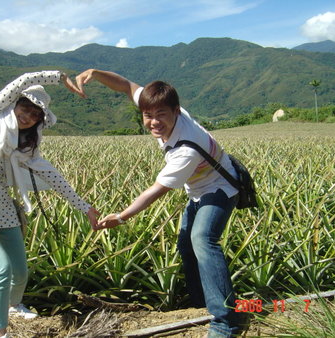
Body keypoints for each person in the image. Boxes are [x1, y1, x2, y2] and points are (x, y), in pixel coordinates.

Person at [75, 69, 241, 337]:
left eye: (160, 115)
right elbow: (128, 85)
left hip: (221, 187)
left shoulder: (185, 148)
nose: (153, 122)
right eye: (148, 115)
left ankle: (226, 320)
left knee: (203, 239)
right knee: (186, 244)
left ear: (176, 111)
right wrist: (95, 74)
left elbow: (156, 190)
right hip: (197, 189)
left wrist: (122, 216)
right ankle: (201, 303)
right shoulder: (159, 104)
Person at [0, 70, 99, 338]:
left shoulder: (22, 148)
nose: (28, 116)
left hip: (3, 211)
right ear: (14, 104)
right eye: (26, 108)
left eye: (36, 114)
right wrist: (60, 77)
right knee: (0, 267)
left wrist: (85, 207)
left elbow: (52, 176)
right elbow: (22, 81)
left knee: (19, 271)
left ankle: (13, 306)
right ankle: (0, 333)